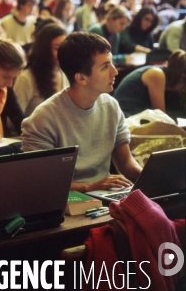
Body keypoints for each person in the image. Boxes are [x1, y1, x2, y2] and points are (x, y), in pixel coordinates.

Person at [21, 32, 142, 193]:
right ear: (81, 78)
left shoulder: (111, 106)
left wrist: (153, 177)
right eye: (105, 66)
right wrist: (90, 186)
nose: (115, 71)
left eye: (111, 63)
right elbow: (39, 182)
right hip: (64, 202)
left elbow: (126, 164)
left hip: (105, 195)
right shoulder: (43, 118)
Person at [14, 22, 68, 116]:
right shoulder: (26, 78)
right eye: (56, 48)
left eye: (65, 48)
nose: (62, 53)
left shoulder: (66, 73)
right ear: (44, 49)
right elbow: (13, 122)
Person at [113, 49, 186, 118]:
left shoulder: (167, 76)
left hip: (137, 115)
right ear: (182, 77)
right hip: (126, 116)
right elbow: (160, 115)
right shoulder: (156, 74)